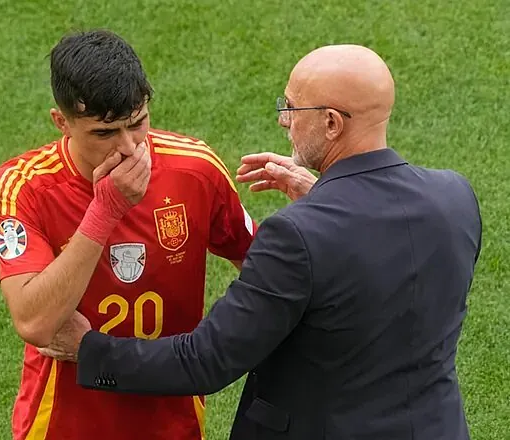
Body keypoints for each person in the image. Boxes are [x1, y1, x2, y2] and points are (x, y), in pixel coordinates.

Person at [63, 44, 483, 439]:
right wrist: (326, 200)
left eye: (291, 107)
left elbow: (207, 361)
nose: (284, 119)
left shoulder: (296, 235)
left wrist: (90, 350)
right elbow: (385, 278)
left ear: (331, 123)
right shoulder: (455, 197)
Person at [0, 29, 256, 440]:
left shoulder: (196, 170)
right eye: (104, 133)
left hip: (173, 424)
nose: (130, 147)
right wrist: (105, 211)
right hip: (61, 425)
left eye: (137, 123)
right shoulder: (26, 185)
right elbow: (34, 321)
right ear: (62, 122)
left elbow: (267, 275)